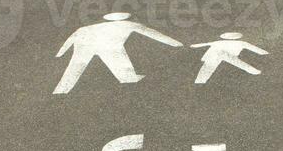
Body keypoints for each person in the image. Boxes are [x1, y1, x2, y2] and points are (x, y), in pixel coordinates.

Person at [54, 12, 183, 93]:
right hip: (111, 48)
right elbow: (152, 33)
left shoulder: (85, 28)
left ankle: (61, 90)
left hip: (84, 47)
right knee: (124, 71)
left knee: (74, 68)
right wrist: (176, 43)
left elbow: (71, 39)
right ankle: (131, 90)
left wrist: (60, 53)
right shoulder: (129, 24)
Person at [191, 32, 268, 84]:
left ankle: (200, 81)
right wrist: (263, 52)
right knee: (208, 68)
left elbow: (201, 44)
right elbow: (257, 50)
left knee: (209, 67)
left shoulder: (220, 42)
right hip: (215, 56)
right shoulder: (240, 43)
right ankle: (200, 81)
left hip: (216, 56)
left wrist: (194, 45)